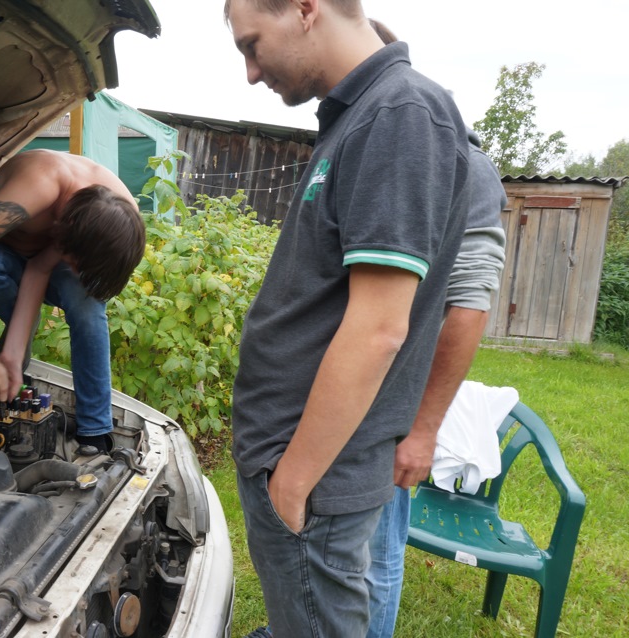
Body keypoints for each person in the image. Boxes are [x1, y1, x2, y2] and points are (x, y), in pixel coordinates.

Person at [225, 1, 471, 637]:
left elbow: (378, 330)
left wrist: (293, 484)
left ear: (305, 8)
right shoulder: (361, 114)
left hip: (312, 479)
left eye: (252, 44)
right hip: (295, 466)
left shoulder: (400, 113)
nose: (251, 71)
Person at [363, 19, 508, 638]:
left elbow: (469, 305)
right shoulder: (372, 145)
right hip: (350, 395)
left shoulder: (462, 164)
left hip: (391, 405)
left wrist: (422, 431)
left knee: (376, 548)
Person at [0, 149, 145, 452]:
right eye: (76, 263)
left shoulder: (118, 217)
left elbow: (40, 267)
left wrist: (11, 353)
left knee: (86, 301)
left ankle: (95, 430)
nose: (75, 272)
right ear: (66, 229)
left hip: (43, 259)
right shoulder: (37, 186)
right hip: (1, 257)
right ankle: (20, 333)